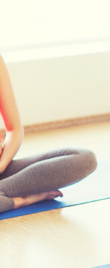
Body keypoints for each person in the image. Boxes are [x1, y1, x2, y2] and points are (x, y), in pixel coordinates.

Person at [0, 55, 97, 213]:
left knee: (84, 157)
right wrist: (24, 200)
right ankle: (19, 199)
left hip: (2, 172)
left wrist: (3, 164)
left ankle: (4, 195)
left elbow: (14, 129)